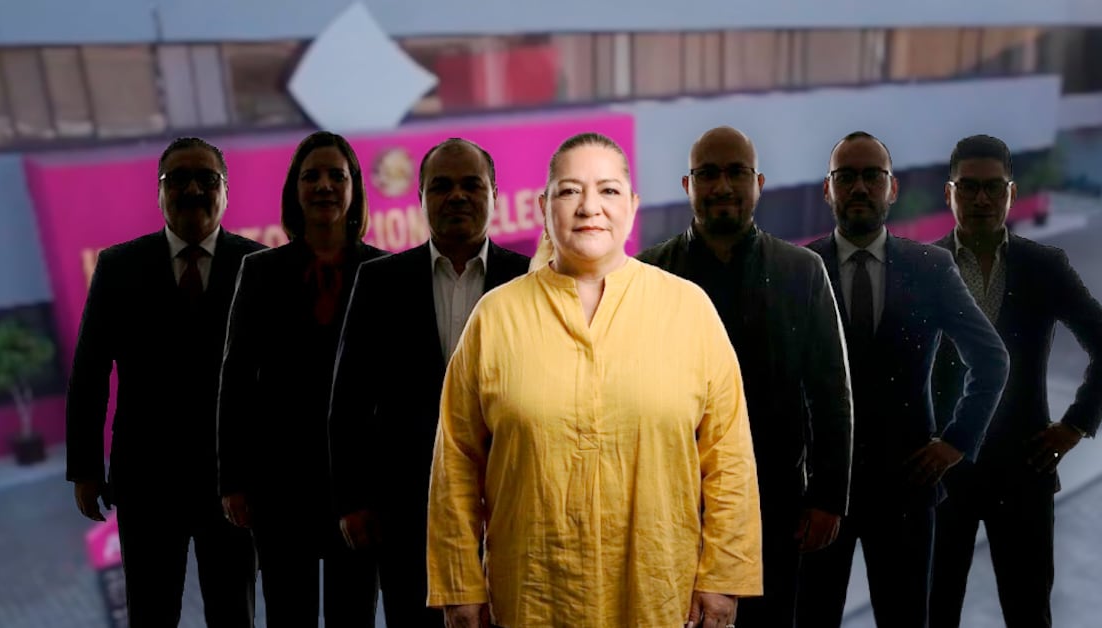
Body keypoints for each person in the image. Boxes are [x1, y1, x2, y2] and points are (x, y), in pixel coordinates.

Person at [425, 132, 762, 628]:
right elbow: (455, 464)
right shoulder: (496, 317)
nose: (589, 207)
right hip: (531, 595)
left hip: (659, 594)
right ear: (543, 207)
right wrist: (460, 586)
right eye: (569, 191)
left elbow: (729, 459)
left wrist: (723, 577)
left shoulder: (688, 310)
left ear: (632, 205)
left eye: (608, 190)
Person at [637, 125, 853, 627]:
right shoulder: (648, 276)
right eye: (708, 174)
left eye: (736, 172)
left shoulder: (801, 271)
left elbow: (831, 391)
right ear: (688, 185)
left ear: (758, 183)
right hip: (673, 508)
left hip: (775, 507)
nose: (723, 186)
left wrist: (828, 498)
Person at [797, 131, 1010, 628]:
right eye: (846, 176)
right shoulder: (800, 269)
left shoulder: (930, 267)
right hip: (820, 491)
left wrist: (957, 441)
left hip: (907, 488)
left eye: (873, 176)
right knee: (810, 618)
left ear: (892, 188)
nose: (859, 187)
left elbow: (991, 358)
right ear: (827, 190)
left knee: (906, 618)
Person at [327, 137, 530, 627]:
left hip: (514, 505)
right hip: (407, 510)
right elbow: (349, 399)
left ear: (494, 195)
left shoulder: (531, 282)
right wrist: (353, 501)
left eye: (471, 185)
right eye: (441, 186)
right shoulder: (380, 282)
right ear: (420, 198)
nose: (456, 196)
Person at [928, 135, 1102, 627]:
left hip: (1023, 471)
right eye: (968, 187)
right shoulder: (921, 267)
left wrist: (1076, 425)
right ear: (949, 193)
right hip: (942, 476)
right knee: (933, 612)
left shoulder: (1044, 267)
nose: (981, 199)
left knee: (1029, 613)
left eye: (993, 187)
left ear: (1011, 194)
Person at [65, 137, 263, 627]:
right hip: (147, 479)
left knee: (233, 613)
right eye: (178, 179)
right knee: (151, 612)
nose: (192, 189)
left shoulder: (259, 267)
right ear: (159, 192)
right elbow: (90, 370)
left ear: (226, 191)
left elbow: (279, 377)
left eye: (206, 178)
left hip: (233, 481)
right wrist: (85, 468)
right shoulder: (118, 267)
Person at [216, 131, 386, 626]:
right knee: (288, 614)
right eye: (312, 176)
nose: (324, 185)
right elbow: (236, 378)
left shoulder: (384, 272)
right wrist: (232, 480)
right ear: (295, 190)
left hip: (359, 486)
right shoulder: (260, 271)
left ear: (354, 188)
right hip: (279, 487)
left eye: (337, 175)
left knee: (354, 615)